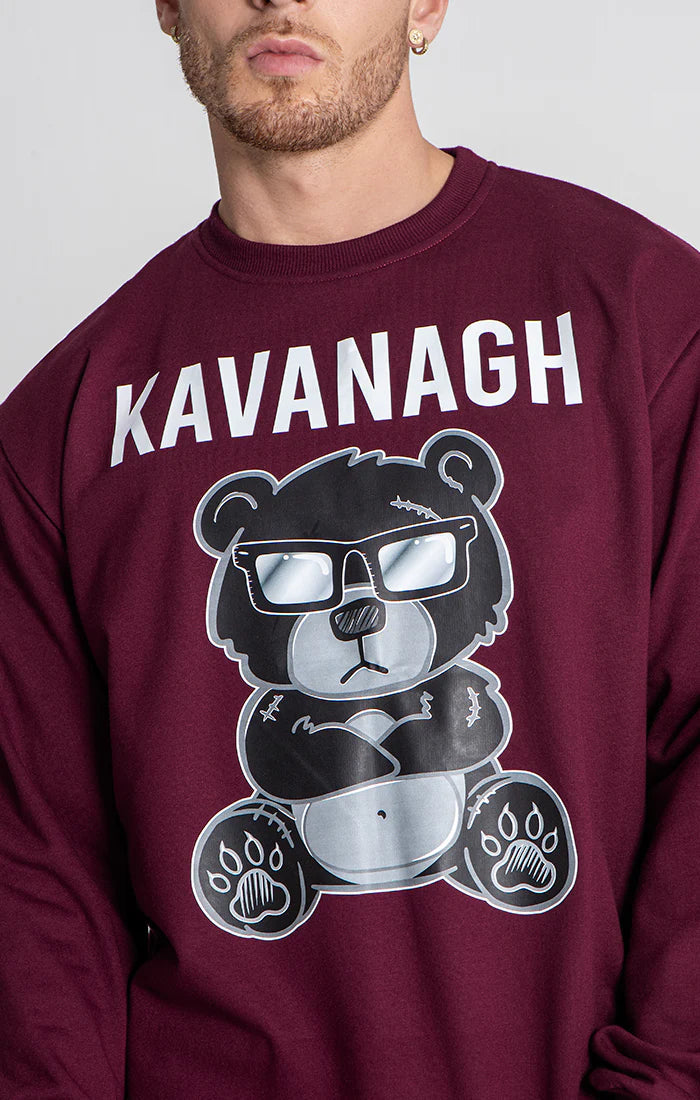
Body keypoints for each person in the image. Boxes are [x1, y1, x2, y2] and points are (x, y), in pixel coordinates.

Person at [1, 0, 698, 1096]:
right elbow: (38, 886)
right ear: (168, 6)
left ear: (426, 4)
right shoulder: (67, 425)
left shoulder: (642, 317)